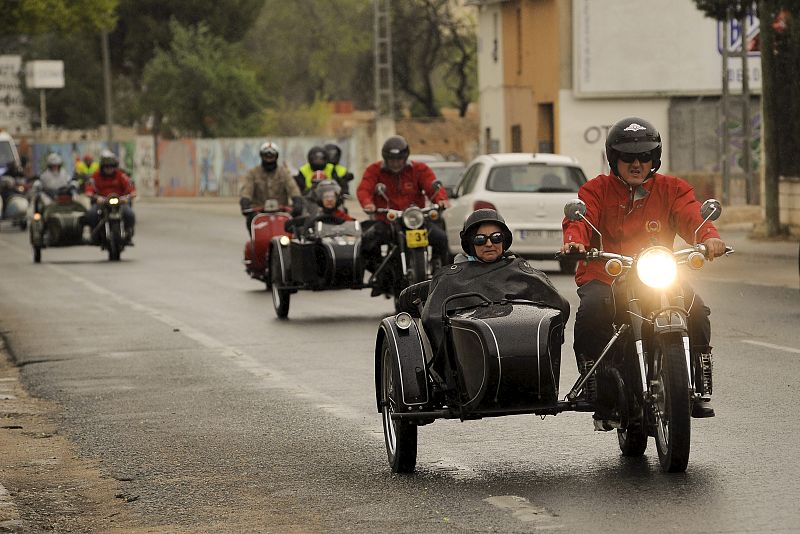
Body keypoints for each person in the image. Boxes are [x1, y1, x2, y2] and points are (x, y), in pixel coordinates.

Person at [560, 117, 726, 418]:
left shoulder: (673, 189)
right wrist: (575, 243)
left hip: (657, 273)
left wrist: (710, 237)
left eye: (645, 156)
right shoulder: (596, 190)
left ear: (655, 158)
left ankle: (698, 381)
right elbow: (578, 221)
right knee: (592, 310)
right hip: (607, 274)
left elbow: (692, 216)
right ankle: (595, 381)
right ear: (614, 158)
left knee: (697, 310)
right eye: (628, 157)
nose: (637, 164)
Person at [421, 208, 570, 354]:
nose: (489, 244)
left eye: (496, 237)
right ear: (470, 243)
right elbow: (432, 320)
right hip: (470, 356)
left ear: (504, 240)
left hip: (525, 353)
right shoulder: (450, 277)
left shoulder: (522, 270)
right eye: (480, 239)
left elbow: (559, 305)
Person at [357, 135, 450, 293]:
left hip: (415, 220)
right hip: (387, 221)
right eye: (391, 159)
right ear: (385, 158)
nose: (395, 163)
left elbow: (432, 185)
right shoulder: (374, 170)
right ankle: (381, 274)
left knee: (441, 238)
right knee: (367, 242)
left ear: (405, 157)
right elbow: (364, 189)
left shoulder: (419, 169)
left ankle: (443, 274)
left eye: (399, 159)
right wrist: (368, 203)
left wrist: (441, 200)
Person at [239, 141, 303, 233]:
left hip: (281, 214)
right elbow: (246, 190)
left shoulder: (284, 173)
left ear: (276, 157)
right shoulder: (252, 173)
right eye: (266, 156)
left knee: (294, 232)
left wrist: (297, 201)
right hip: (259, 214)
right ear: (261, 156)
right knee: (251, 223)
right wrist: (245, 202)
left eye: (271, 156)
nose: (269, 159)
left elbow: (293, 188)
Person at [85, 150, 137, 244]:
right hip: (102, 202)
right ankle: (94, 235)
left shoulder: (120, 175)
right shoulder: (96, 176)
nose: (109, 169)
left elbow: (130, 186)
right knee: (91, 214)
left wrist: (130, 195)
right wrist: (94, 196)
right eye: (106, 167)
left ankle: (128, 234)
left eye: (111, 167)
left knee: (129, 214)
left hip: (119, 202)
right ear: (102, 167)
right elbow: (89, 188)